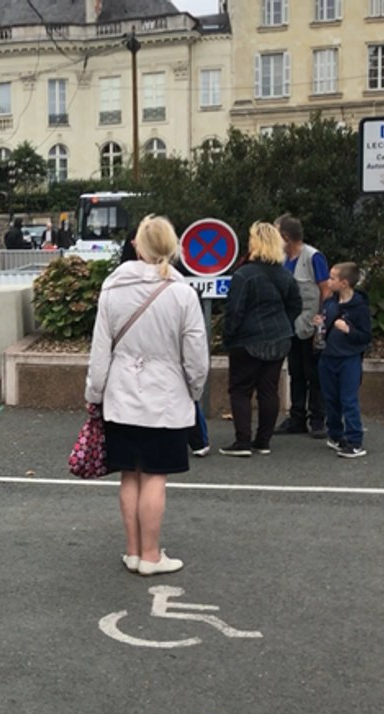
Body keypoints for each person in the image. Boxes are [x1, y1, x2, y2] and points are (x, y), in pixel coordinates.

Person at [86, 215, 208, 577]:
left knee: (129, 476)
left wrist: (94, 393)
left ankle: (133, 551)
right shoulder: (183, 294)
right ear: (171, 248)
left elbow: (100, 352)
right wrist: (194, 390)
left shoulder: (111, 290)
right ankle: (152, 555)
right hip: (166, 398)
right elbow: (196, 357)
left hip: (120, 396)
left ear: (137, 246)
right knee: (156, 476)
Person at [220, 222, 302, 457]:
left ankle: (242, 442)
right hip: (279, 338)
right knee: (269, 391)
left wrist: (229, 337)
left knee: (240, 391)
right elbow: (295, 304)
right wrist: (283, 324)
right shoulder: (285, 275)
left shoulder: (244, 275)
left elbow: (234, 311)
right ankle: (263, 441)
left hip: (247, 340)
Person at [276, 213, 332, 439]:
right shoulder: (281, 258)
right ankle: (297, 417)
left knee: (313, 373)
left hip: (310, 324)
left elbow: (325, 289)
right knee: (296, 372)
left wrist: (321, 321)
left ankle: (318, 419)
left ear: (286, 236)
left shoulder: (313, 256)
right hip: (291, 325)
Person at [315, 263, 372, 458]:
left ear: (344, 283)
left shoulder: (360, 308)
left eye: (332, 278)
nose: (328, 281)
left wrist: (349, 330)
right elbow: (325, 323)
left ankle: (355, 441)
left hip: (349, 358)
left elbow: (365, 336)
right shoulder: (330, 303)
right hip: (328, 356)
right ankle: (335, 434)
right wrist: (320, 324)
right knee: (330, 398)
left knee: (348, 400)